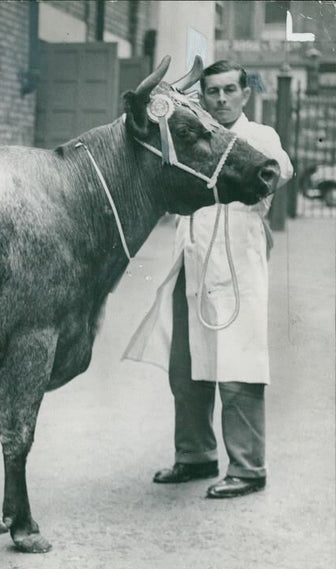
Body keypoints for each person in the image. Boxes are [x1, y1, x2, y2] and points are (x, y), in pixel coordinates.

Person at [124, 60, 293, 498]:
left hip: (237, 263)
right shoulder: (195, 131)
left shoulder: (259, 137)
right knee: (186, 368)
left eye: (228, 90)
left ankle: (249, 468)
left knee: (239, 367)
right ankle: (195, 455)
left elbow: (281, 169)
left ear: (244, 94)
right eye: (212, 92)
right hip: (193, 261)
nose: (220, 99)